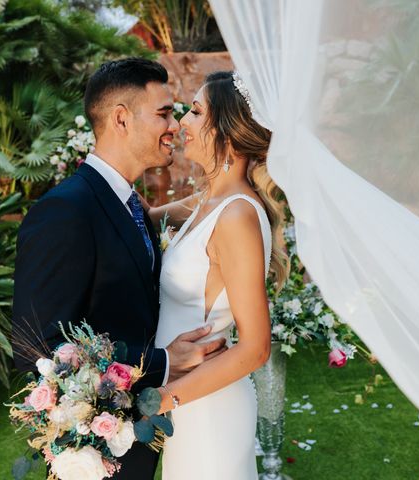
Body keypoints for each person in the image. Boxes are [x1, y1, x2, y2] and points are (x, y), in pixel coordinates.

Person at [11, 58, 228, 480]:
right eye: (164, 112)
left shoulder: (132, 207)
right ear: (121, 119)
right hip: (97, 447)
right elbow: (37, 346)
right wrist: (162, 362)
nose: (175, 123)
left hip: (139, 435)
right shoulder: (65, 210)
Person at [145, 71, 289, 480]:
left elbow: (256, 348)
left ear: (226, 128)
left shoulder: (238, 215)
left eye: (194, 112)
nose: (181, 124)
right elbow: (139, 216)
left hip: (204, 407)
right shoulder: (210, 200)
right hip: (188, 402)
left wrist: (159, 400)